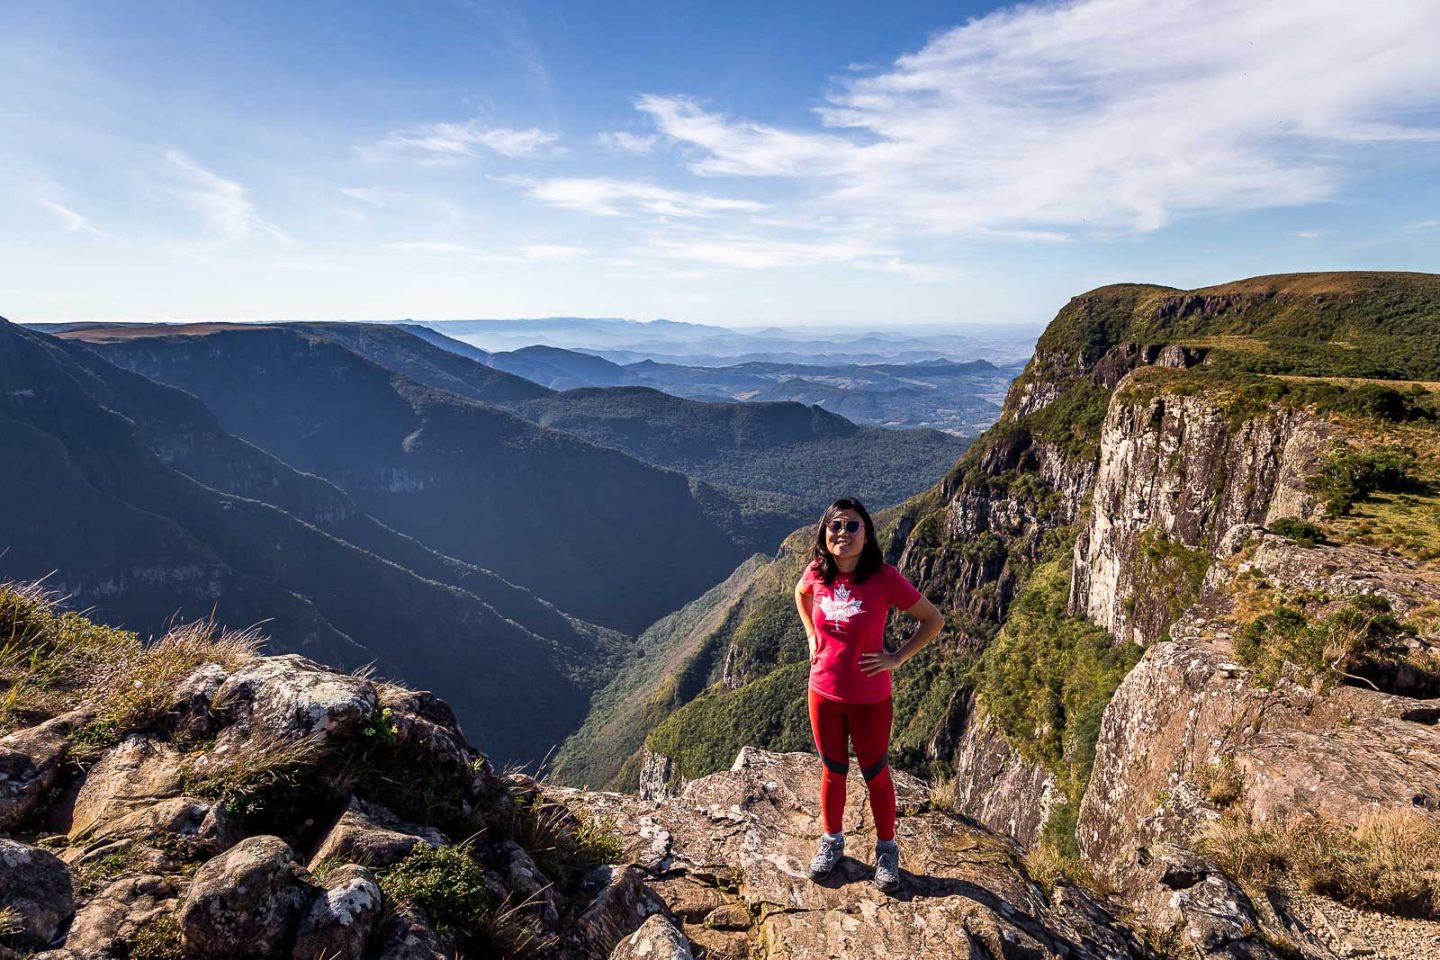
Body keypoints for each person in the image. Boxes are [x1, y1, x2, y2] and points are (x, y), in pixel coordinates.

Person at [794, 497, 945, 894]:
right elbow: (800, 594)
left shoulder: (884, 578)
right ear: (824, 534)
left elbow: (933, 619)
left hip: (870, 700)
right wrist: (811, 636)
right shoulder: (817, 572)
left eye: (852, 526)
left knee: (876, 774)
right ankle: (832, 841)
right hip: (822, 693)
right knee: (833, 771)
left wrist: (897, 658)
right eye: (835, 526)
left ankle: (886, 849)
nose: (842, 533)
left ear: (867, 534)